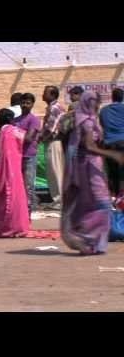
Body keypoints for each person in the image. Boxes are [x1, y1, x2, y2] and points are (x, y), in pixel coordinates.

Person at [60, 91, 122, 255]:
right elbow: (89, 147)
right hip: (87, 167)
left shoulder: (91, 120)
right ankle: (85, 238)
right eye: (95, 101)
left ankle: (90, 242)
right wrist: (113, 155)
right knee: (101, 204)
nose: (98, 104)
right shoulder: (86, 122)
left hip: (91, 165)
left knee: (91, 204)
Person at [0, 108, 29, 238]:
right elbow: (27, 138)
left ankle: (1, 228)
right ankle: (14, 227)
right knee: (14, 196)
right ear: (10, 119)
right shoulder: (14, 131)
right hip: (12, 168)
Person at [12, 93, 40, 218]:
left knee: (28, 186)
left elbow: (29, 138)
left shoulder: (34, 119)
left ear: (32, 104)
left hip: (28, 156)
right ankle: (19, 213)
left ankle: (27, 214)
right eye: (23, 102)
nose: (25, 105)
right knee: (17, 186)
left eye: (28, 103)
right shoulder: (15, 120)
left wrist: (15, 135)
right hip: (16, 156)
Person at [41, 86, 65, 209]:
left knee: (55, 170)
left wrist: (40, 137)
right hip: (51, 141)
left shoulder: (54, 108)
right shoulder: (51, 107)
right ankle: (57, 199)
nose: (43, 94)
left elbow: (50, 128)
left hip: (53, 141)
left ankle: (59, 200)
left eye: (45, 93)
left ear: (52, 95)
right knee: (53, 171)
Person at [99, 88, 124, 197]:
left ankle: (114, 195)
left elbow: (103, 125)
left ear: (112, 97)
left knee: (112, 171)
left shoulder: (103, 110)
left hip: (109, 144)